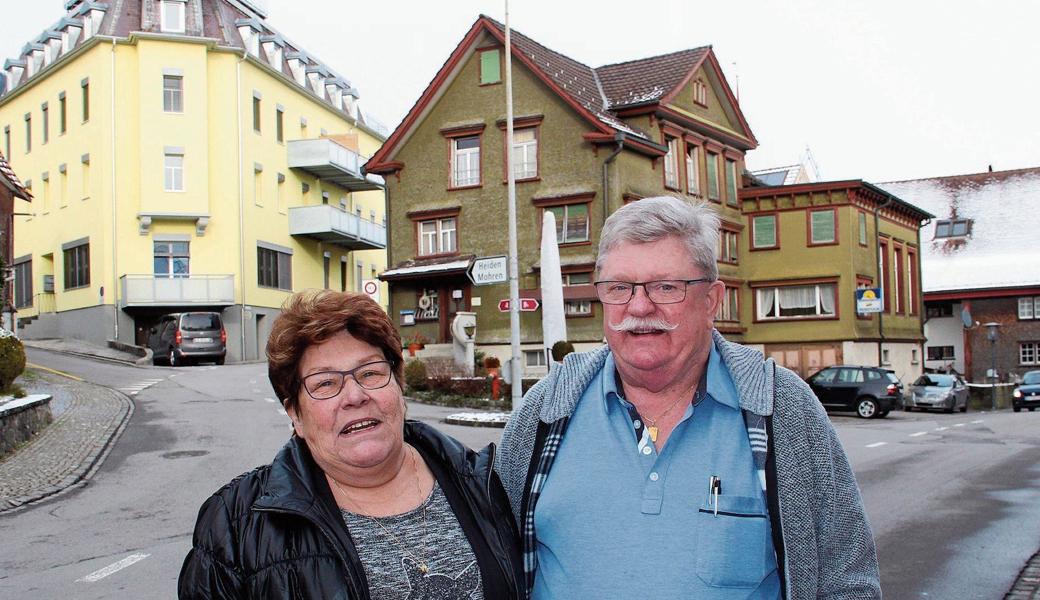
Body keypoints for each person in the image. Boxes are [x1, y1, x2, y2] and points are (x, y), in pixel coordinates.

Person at [496, 196, 880, 599]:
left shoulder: (782, 410)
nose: (639, 307)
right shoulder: (546, 411)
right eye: (619, 288)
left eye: (666, 287)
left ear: (712, 300)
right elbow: (489, 557)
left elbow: (847, 579)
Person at [179, 290, 524, 599]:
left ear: (399, 388)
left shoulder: (490, 485)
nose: (355, 396)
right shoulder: (235, 527)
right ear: (295, 415)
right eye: (325, 383)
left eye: (371, 373)